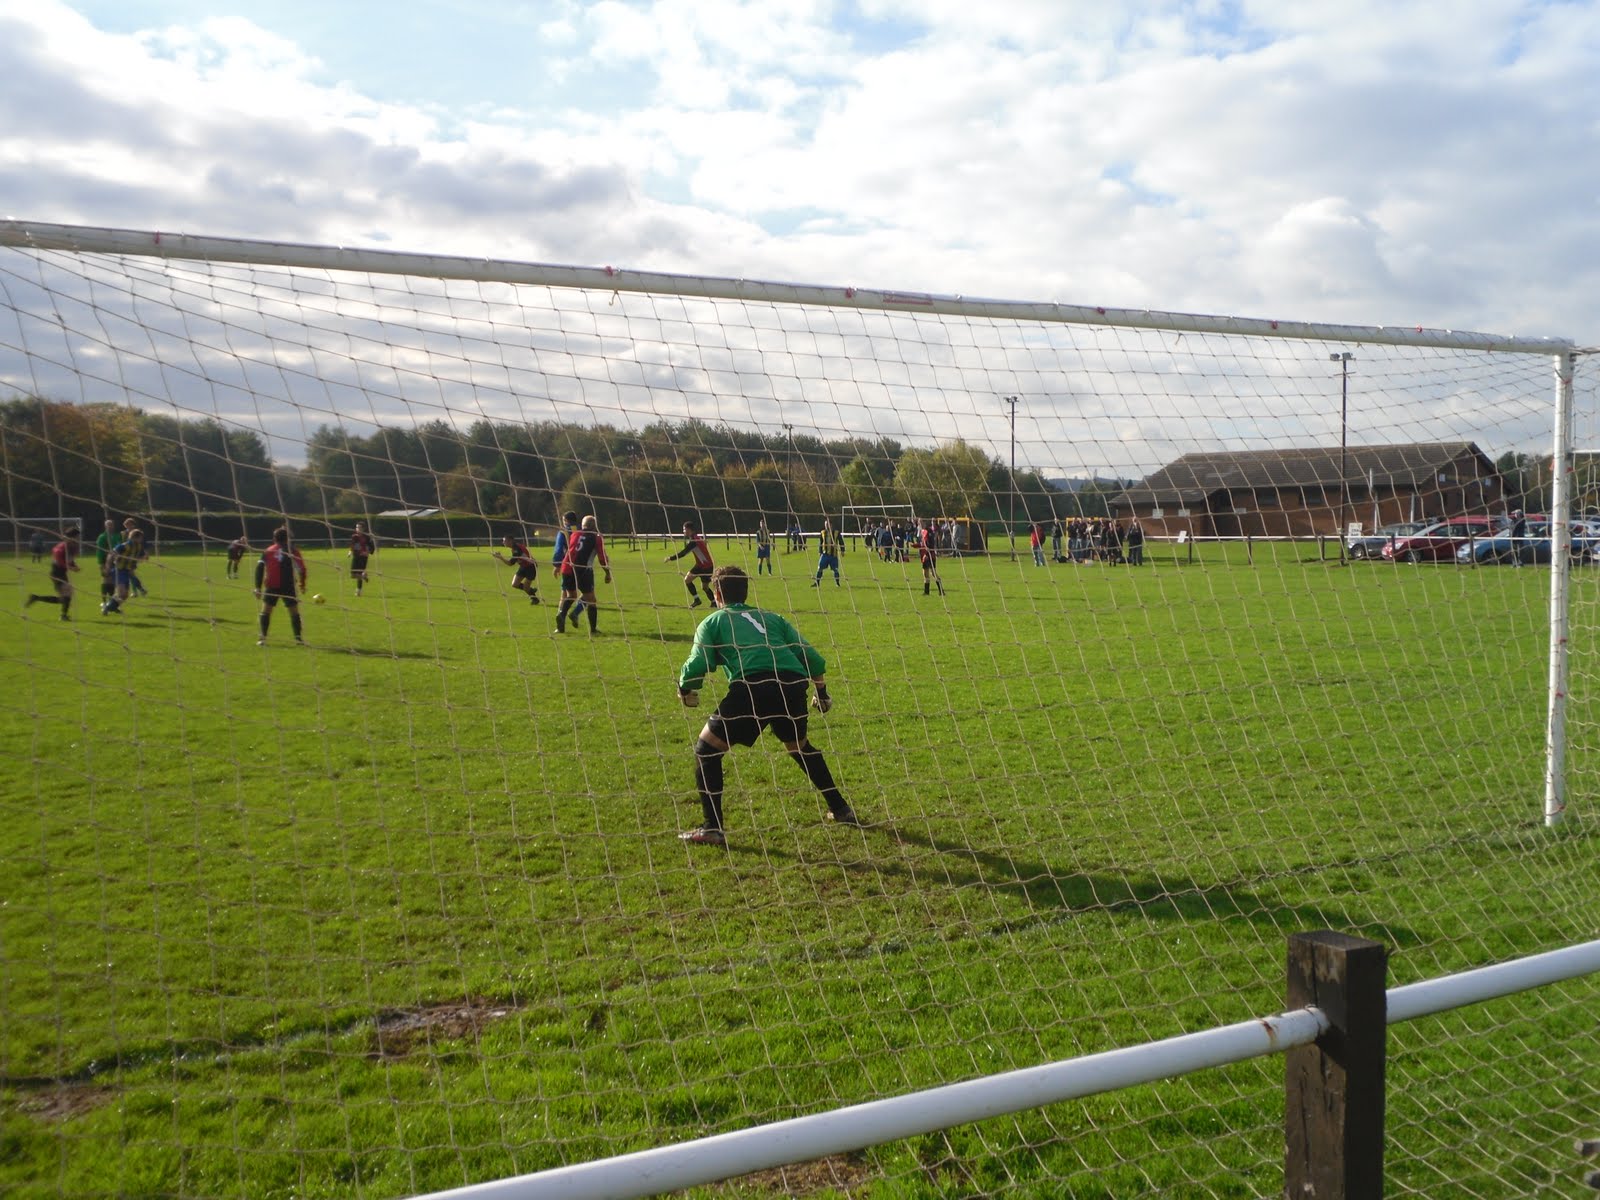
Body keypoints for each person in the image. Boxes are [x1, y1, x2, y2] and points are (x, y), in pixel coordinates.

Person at [675, 565, 857, 845]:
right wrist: (822, 692)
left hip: (753, 687)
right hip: (792, 684)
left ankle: (712, 827)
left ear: (716, 593)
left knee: (706, 751)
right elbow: (810, 655)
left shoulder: (713, 621)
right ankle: (841, 808)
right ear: (746, 591)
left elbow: (699, 662)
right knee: (799, 746)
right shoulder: (772, 618)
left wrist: (686, 688)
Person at [556, 515, 612, 634]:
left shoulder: (575, 534)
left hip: (566, 567)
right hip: (582, 569)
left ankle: (561, 615)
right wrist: (607, 573)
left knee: (571, 595)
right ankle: (593, 630)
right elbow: (602, 559)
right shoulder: (596, 538)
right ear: (594, 526)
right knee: (591, 599)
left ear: (583, 525)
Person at [253, 527, 308, 645]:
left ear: (274, 539)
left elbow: (259, 568)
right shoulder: (293, 551)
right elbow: (302, 569)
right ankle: (298, 638)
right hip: (288, 586)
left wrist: (258, 587)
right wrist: (302, 584)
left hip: (271, 585)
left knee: (266, 611)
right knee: (294, 612)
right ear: (287, 539)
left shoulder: (268, 550)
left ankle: (262, 638)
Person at [24, 524, 81, 620]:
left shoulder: (73, 546)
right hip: (56, 573)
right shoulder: (62, 547)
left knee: (65, 597)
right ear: (73, 537)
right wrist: (71, 568)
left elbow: (69, 559)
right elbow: (59, 561)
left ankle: (36, 598)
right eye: (77, 536)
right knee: (67, 595)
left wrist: (74, 565)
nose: (79, 538)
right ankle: (63, 616)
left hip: (62, 573)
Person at [666, 520, 716, 608]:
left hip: (706, 567)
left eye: (684, 529)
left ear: (689, 530)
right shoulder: (696, 538)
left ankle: (713, 602)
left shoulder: (694, 541)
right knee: (687, 580)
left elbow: (683, 553)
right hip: (700, 565)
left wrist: (670, 558)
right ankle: (697, 600)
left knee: (704, 587)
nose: (683, 531)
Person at [100, 529, 144, 614]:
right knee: (121, 593)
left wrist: (139, 560)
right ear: (135, 537)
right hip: (118, 571)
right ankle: (107, 608)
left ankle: (109, 607)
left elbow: (136, 559)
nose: (141, 540)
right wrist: (108, 567)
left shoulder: (138, 547)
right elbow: (111, 554)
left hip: (127, 572)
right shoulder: (124, 546)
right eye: (140, 538)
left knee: (124, 596)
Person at [552, 512, 585, 623]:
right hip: (582, 565)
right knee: (588, 593)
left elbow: (558, 549)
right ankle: (576, 613)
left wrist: (557, 565)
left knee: (565, 593)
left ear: (565, 520)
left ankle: (560, 617)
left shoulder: (564, 531)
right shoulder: (582, 530)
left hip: (568, 566)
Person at [493, 534, 541, 604]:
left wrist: (500, 557)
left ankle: (535, 599)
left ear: (510, 541)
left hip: (531, 567)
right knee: (514, 584)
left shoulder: (516, 549)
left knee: (525, 588)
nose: (503, 543)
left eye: (504, 541)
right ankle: (531, 590)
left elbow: (510, 563)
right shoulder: (515, 547)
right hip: (523, 566)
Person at [348, 522, 377, 595]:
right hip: (356, 556)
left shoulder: (367, 537)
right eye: (357, 527)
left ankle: (358, 591)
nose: (358, 529)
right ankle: (363, 576)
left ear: (363, 529)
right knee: (353, 575)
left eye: (359, 528)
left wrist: (367, 552)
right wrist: (350, 552)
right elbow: (352, 545)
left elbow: (372, 547)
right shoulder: (354, 536)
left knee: (358, 573)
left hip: (363, 558)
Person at [94, 520, 118, 608]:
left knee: (113, 582)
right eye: (108, 525)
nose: (110, 527)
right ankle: (104, 602)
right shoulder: (102, 537)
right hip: (105, 562)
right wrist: (101, 564)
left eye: (111, 525)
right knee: (106, 580)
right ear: (105, 527)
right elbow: (99, 551)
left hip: (116, 562)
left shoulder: (116, 536)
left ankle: (111, 603)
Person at [811, 519, 842, 587]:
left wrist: (842, 550)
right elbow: (820, 542)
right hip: (824, 554)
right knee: (820, 568)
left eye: (827, 524)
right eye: (825, 524)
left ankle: (837, 583)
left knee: (835, 569)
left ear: (831, 525)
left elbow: (841, 541)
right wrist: (820, 551)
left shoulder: (837, 532)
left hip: (833, 555)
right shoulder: (823, 532)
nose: (826, 526)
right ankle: (817, 583)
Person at [919, 522, 945, 596]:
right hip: (924, 555)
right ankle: (926, 592)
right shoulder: (923, 531)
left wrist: (927, 554)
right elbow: (922, 544)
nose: (919, 524)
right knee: (925, 573)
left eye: (920, 522)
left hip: (930, 555)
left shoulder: (929, 532)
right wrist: (916, 545)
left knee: (933, 573)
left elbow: (930, 545)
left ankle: (941, 590)